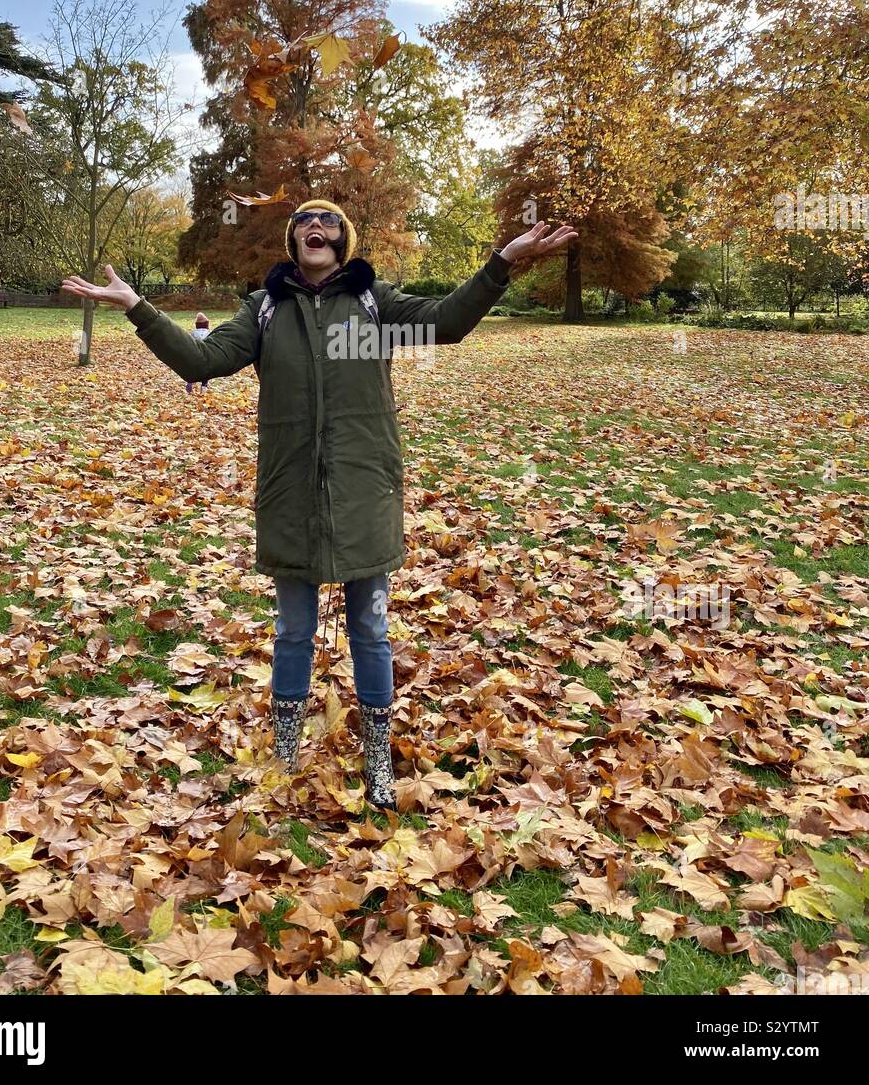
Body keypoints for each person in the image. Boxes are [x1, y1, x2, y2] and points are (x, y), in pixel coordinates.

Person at [62, 201, 577, 810]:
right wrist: (138, 308)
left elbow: (446, 322)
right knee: (293, 630)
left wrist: (501, 264)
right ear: (292, 239)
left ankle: (378, 758)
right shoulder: (265, 308)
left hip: (365, 487)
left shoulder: (374, 303)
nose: (316, 228)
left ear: (343, 240)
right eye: (305, 221)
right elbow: (201, 361)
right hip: (292, 490)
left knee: (371, 627)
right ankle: (285, 753)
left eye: (328, 222)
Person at [186, 313, 211, 394]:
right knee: (206, 372)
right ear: (207, 324)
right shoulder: (209, 333)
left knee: (192, 370)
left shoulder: (193, 333)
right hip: (206, 355)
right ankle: (204, 387)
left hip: (195, 355)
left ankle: (189, 384)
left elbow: (190, 343)